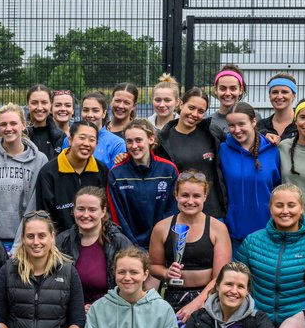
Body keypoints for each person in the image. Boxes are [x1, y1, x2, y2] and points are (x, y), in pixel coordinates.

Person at [234, 184, 305, 326]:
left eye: (291, 205)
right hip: (256, 321)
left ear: (302, 209)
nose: (285, 211)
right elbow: (236, 280)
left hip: (303, 323)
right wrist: (252, 312)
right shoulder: (252, 241)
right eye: (279, 205)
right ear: (270, 209)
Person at [148, 171, 232, 318]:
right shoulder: (161, 228)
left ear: (205, 196)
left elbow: (221, 277)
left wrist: (197, 303)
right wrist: (166, 273)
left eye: (197, 196)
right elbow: (153, 266)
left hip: (208, 297)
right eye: (185, 195)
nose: (190, 201)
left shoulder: (217, 228)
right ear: (176, 195)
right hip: (172, 295)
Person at [0, 103, 46, 247]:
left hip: (27, 241)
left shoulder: (40, 160)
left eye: (13, 123)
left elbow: (33, 206)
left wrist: (19, 244)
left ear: (23, 125)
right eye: (3, 124)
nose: (8, 129)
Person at [156, 87, 226, 219]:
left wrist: (265, 135)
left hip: (212, 212)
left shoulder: (212, 133)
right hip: (178, 213)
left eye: (201, 111)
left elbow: (239, 141)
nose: (194, 114)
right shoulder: (163, 140)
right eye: (191, 107)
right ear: (181, 104)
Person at [107, 119, 178, 248]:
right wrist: (131, 246)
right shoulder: (116, 174)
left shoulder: (168, 169)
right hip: (129, 246)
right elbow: (117, 215)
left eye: (138, 140)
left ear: (151, 139)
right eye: (129, 141)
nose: (134, 146)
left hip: (162, 243)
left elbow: (173, 209)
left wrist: (160, 242)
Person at [55, 186, 130, 308]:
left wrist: (99, 308)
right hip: (71, 316)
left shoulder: (119, 242)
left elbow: (131, 284)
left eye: (92, 210)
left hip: (111, 314)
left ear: (103, 211)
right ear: (73, 210)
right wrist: (76, 308)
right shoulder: (61, 242)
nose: (85, 215)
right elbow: (52, 287)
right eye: (80, 209)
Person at [218, 101, 280, 244]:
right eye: (231, 125)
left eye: (241, 124)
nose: (237, 130)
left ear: (253, 122)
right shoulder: (222, 150)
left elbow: (278, 186)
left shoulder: (272, 150)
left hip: (268, 231)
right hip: (233, 232)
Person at [35, 120, 106, 233]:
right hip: (59, 243)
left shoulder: (102, 170)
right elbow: (44, 214)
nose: (86, 143)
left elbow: (106, 211)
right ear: (70, 140)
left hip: (95, 239)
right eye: (82, 138)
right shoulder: (49, 172)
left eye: (92, 140)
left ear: (96, 144)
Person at [81, 91, 126, 170]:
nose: (89, 115)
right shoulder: (69, 140)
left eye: (95, 110)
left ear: (104, 113)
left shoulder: (117, 143)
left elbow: (116, 176)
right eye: (85, 110)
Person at [24, 84, 66, 160]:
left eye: (44, 102)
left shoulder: (60, 137)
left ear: (51, 104)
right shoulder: (20, 133)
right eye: (34, 103)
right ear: (27, 104)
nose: (39, 107)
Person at [208, 64, 246, 142]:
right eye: (222, 88)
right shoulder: (208, 122)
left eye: (233, 88)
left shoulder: (253, 117)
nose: (228, 93)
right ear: (216, 90)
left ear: (241, 90)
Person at [257, 72, 299, 143]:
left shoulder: (303, 125)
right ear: (269, 96)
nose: (279, 96)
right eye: (275, 92)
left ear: (294, 96)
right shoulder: (261, 126)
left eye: (284, 92)